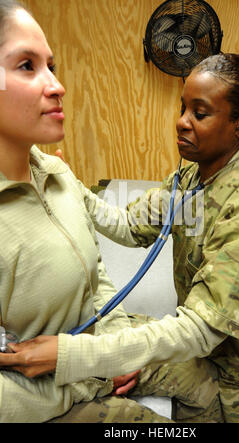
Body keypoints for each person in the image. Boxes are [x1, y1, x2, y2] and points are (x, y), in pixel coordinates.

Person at [1, 46, 239, 422]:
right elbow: (129, 227)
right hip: (196, 346)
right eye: (183, 108)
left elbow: (202, 329)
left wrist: (73, 356)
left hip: (230, 370)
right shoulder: (189, 180)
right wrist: (70, 187)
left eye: (199, 114)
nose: (182, 122)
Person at [0, 0, 182, 423]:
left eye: (52, 65)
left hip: (94, 354)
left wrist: (117, 345)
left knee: (203, 373)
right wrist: (91, 372)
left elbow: (95, 277)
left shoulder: (56, 171)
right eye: (26, 65)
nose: (57, 84)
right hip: (50, 399)